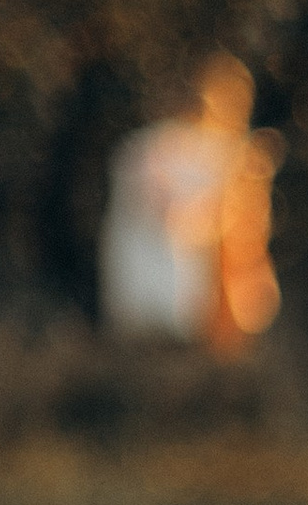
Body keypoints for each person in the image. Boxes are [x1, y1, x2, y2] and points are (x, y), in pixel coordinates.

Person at [98, 55, 283, 352]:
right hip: (173, 304)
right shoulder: (188, 157)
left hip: (157, 307)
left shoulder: (142, 149)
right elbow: (178, 219)